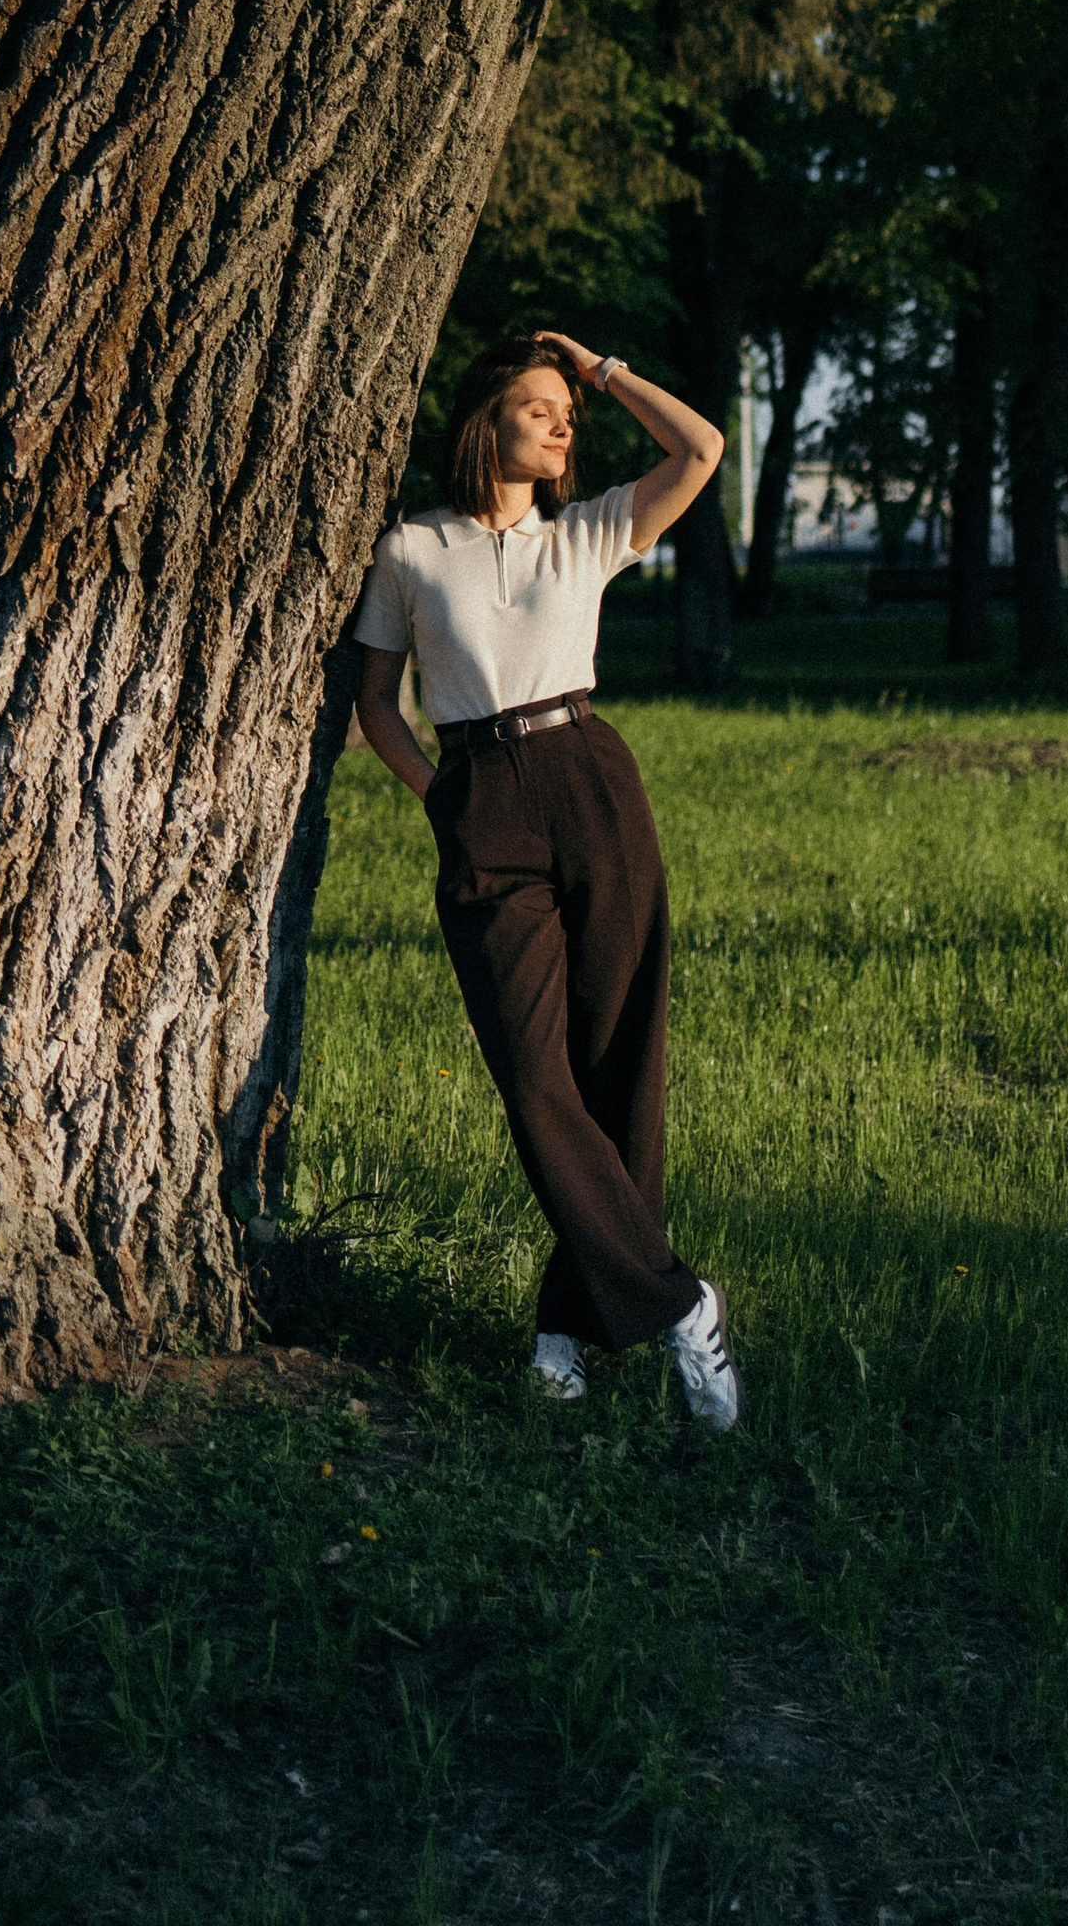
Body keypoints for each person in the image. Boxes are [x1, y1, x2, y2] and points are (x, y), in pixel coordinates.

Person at [353, 330, 742, 1431]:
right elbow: (378, 704)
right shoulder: (411, 551)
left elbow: (701, 447)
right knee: (534, 1078)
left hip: (590, 780)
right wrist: (442, 797)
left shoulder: (588, 532)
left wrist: (600, 370)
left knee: (619, 1063)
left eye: (563, 413)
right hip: (479, 795)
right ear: (486, 423)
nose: (561, 423)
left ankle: (563, 1333)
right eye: (538, 406)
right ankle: (679, 1304)